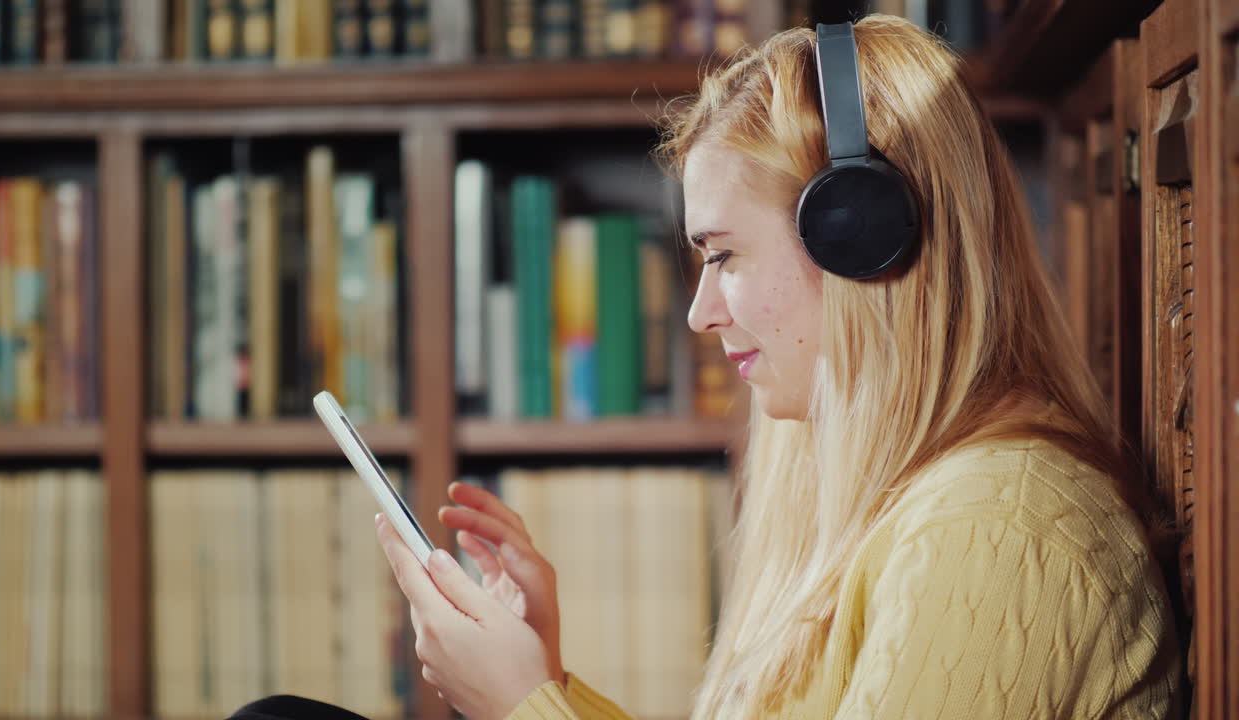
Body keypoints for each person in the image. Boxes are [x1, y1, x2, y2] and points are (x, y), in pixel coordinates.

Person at [373, 14, 1183, 720]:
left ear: (861, 239)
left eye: (724, 255)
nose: (699, 313)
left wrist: (525, 708)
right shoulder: (915, 500)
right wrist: (541, 680)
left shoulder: (1001, 529)